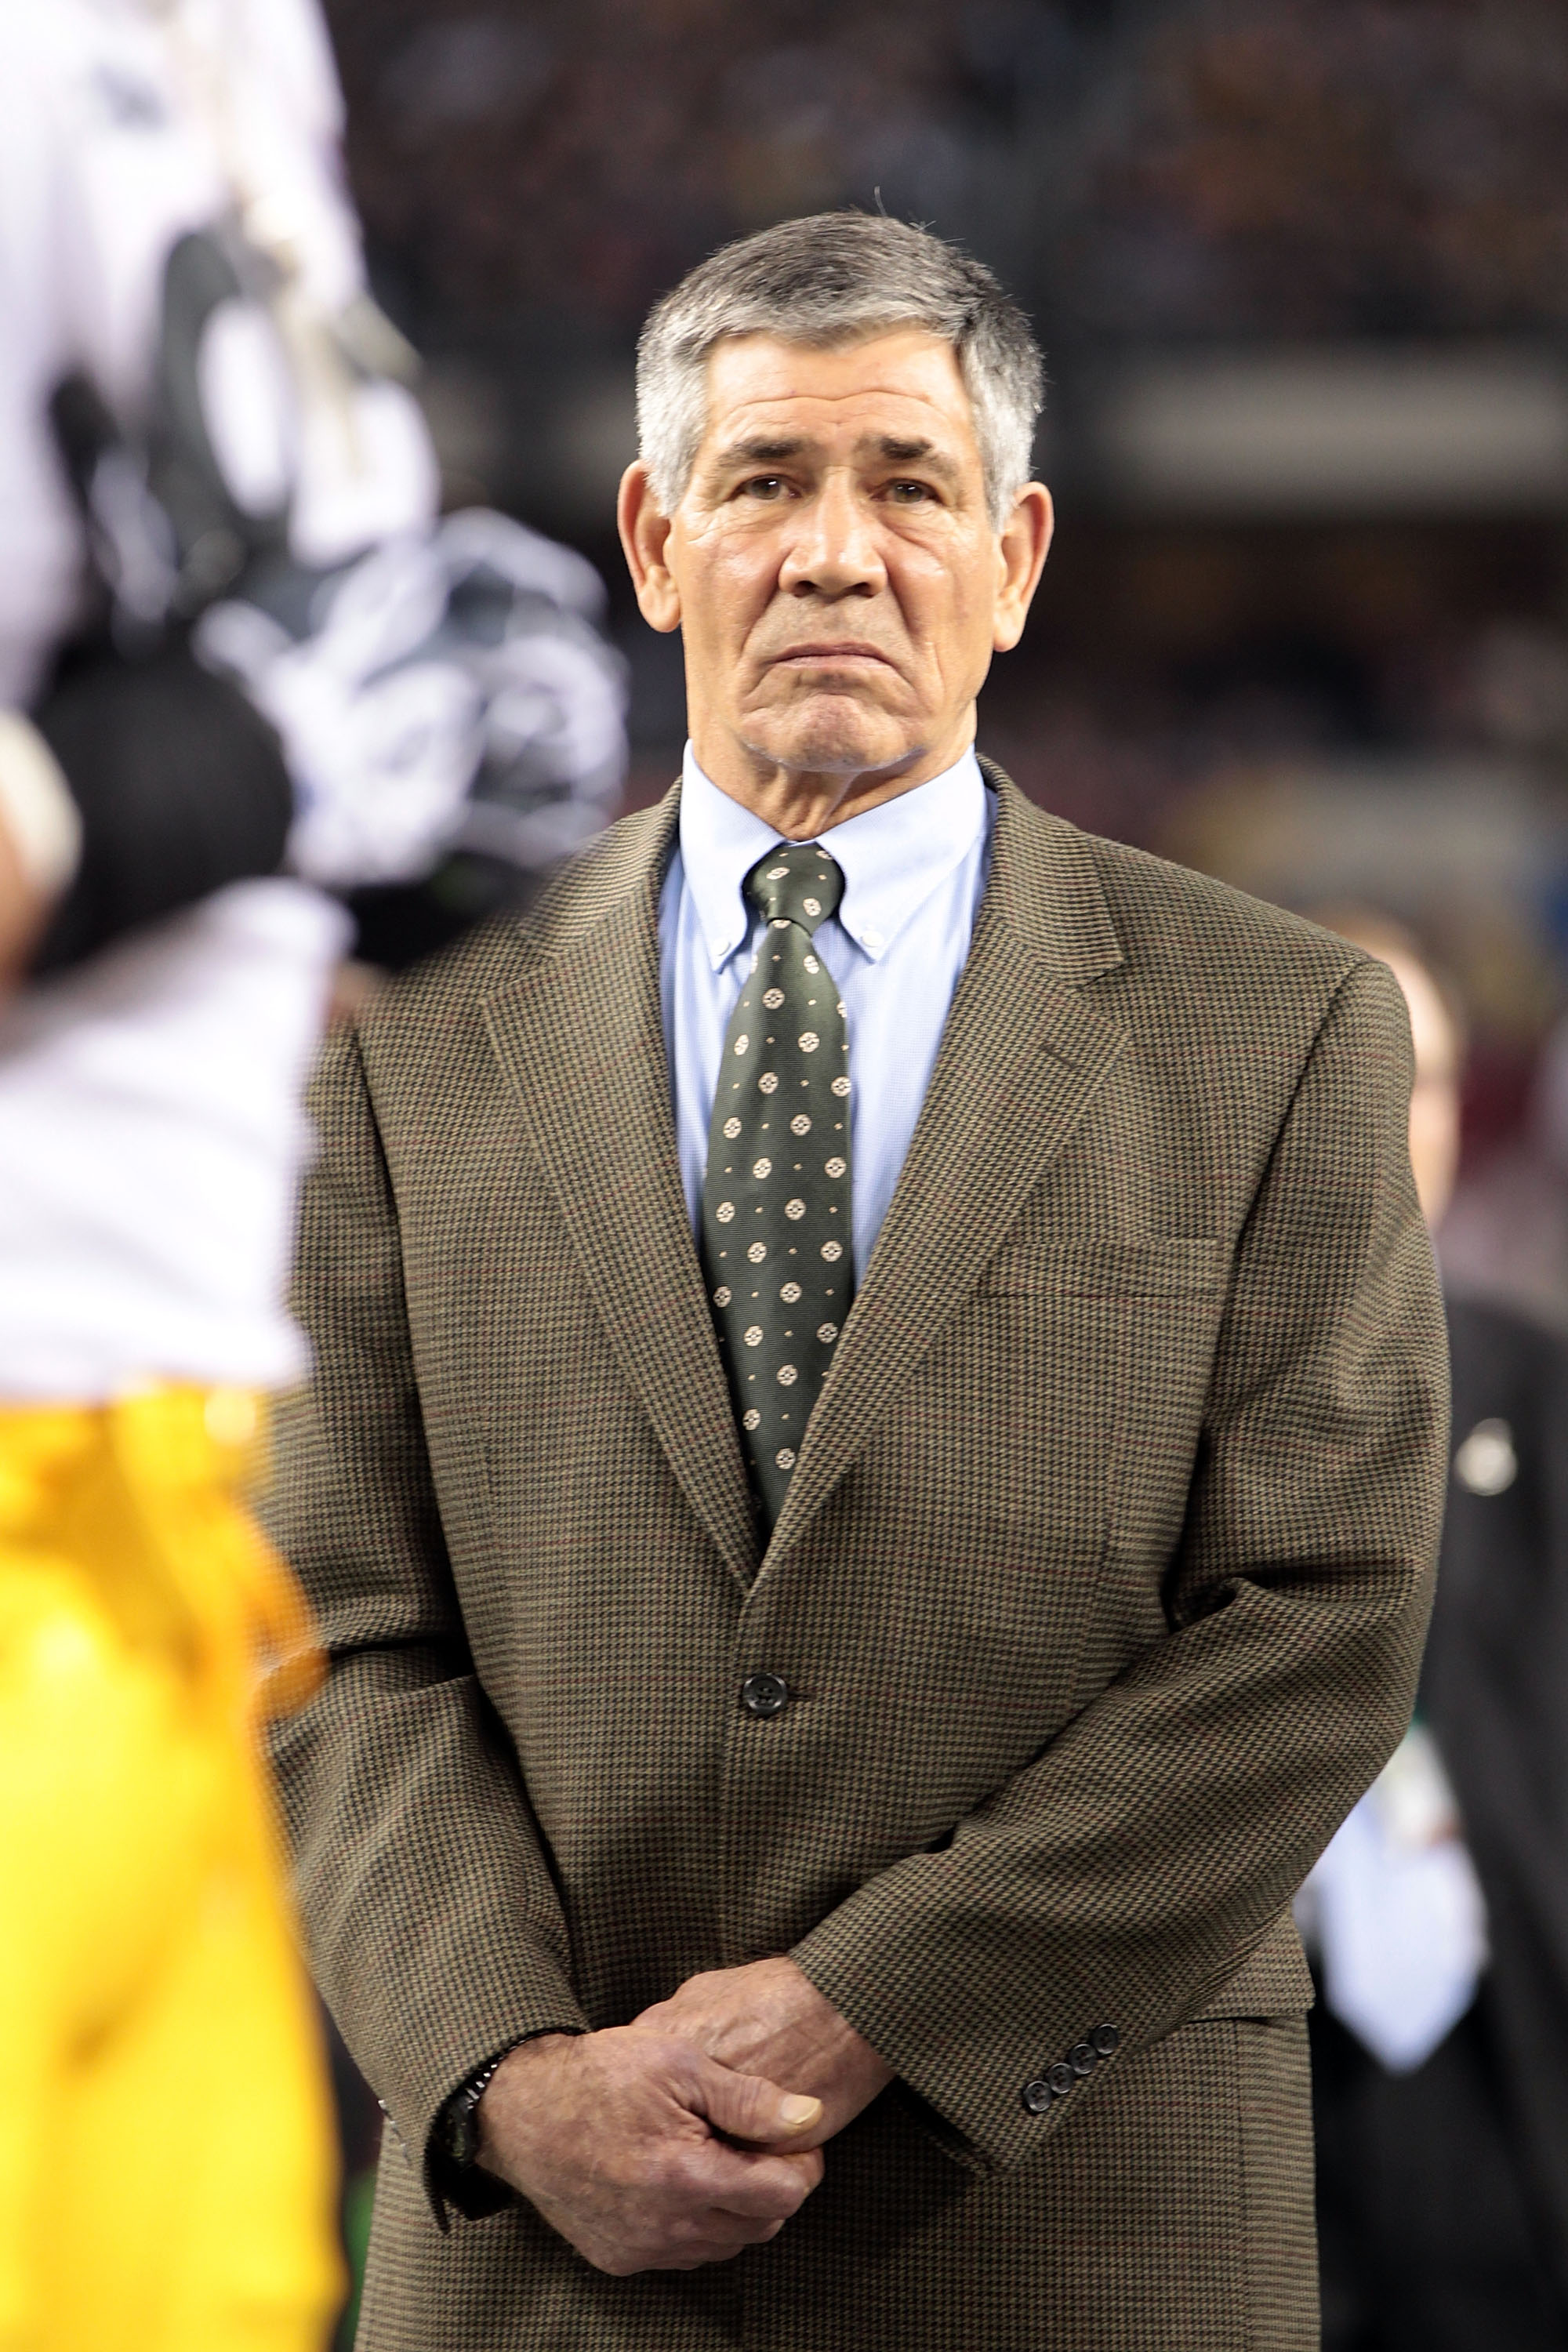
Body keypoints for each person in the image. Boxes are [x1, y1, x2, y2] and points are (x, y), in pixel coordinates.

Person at [268, 211, 1449, 2352]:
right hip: (543, 2257)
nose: (833, 554)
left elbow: (1322, 1619)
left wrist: (866, 2007)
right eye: (764, 483)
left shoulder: (1274, 1026)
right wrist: (520, 2083)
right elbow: (337, 1633)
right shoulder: (407, 1042)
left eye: (907, 484)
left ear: (1014, 556)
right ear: (652, 541)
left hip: (1083, 2245)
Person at [0, 5, 622, 2347]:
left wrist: (379, 882)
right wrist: (231, 771)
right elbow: (199, 755)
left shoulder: (230, 36)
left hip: (167, 1537)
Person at [1302, 913, 1568, 2350]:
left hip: (1505, 2091)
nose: (1396, 1121)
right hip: (1220, 2095)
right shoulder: (1096, 1421)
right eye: (1344, 1069)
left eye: (1428, 1077)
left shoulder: (1547, 1401)